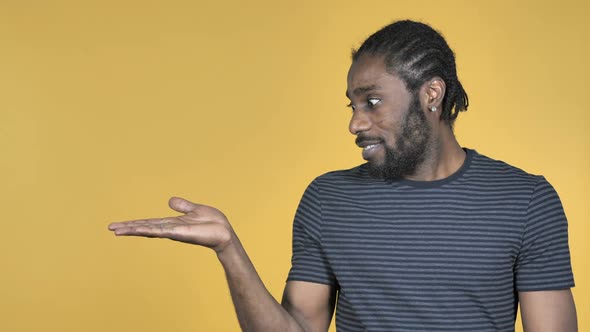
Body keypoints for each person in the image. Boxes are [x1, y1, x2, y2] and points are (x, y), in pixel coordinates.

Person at [108, 20, 577, 331]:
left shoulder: (526, 200)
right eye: (352, 105)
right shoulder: (328, 198)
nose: (355, 122)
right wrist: (230, 250)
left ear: (431, 94)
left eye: (372, 101)